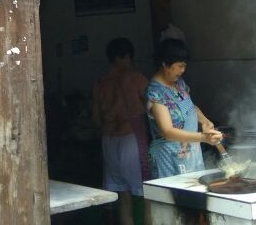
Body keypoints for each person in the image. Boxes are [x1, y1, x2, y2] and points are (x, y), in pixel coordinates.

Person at [92, 37, 150, 225]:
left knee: (123, 197)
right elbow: (152, 108)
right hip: (131, 138)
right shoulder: (136, 78)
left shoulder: (100, 83)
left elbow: (96, 118)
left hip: (109, 140)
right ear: (125, 57)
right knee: (146, 195)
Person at [146, 38, 222, 178]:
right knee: (173, 191)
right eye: (180, 66)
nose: (183, 70)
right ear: (165, 63)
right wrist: (203, 138)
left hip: (191, 153)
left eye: (184, 66)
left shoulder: (178, 83)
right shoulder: (156, 92)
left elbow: (190, 107)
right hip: (169, 157)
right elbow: (167, 131)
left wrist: (204, 121)